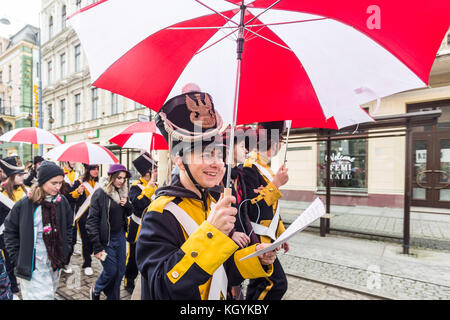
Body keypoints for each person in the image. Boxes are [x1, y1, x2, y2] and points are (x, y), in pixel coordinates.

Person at [136, 90, 277, 300]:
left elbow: (222, 268)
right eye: (205, 154)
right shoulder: (159, 213)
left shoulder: (214, 202)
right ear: (179, 162)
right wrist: (211, 231)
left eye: (219, 154)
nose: (216, 163)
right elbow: (162, 285)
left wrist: (257, 256)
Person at [3, 161, 73, 300]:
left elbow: (68, 227)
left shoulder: (62, 201)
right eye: (54, 183)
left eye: (60, 183)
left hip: (55, 262)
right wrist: (18, 258)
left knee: (50, 294)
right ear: (42, 181)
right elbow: (9, 230)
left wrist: (66, 250)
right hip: (32, 265)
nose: (58, 187)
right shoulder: (25, 204)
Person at [243, 121, 290, 300]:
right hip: (256, 237)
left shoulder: (267, 168)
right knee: (276, 284)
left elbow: (273, 209)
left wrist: (281, 234)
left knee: (259, 284)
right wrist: (276, 184)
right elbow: (252, 208)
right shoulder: (250, 167)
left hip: (268, 236)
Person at [216, 126, 260, 300]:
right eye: (242, 146)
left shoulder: (240, 175)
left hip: (240, 246)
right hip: (222, 248)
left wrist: (255, 245)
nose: (247, 150)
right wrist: (231, 233)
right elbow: (212, 214)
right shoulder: (217, 176)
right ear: (229, 148)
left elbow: (244, 214)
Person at [87, 164, 133, 300]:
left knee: (120, 271)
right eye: (119, 177)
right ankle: (96, 288)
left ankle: (113, 297)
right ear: (111, 177)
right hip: (105, 239)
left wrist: (128, 205)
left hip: (120, 237)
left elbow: (129, 212)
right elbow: (91, 221)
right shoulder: (100, 193)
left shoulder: (123, 191)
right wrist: (97, 247)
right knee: (111, 271)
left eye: (124, 178)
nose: (121, 181)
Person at [124, 152, 157, 294]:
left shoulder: (158, 186)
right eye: (154, 170)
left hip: (153, 228)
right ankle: (128, 281)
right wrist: (149, 188)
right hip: (137, 228)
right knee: (133, 258)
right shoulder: (135, 187)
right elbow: (139, 205)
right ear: (147, 173)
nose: (156, 172)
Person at [66, 164, 100, 276]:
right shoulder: (79, 182)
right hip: (83, 215)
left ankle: (89, 255)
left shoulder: (99, 183)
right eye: (93, 169)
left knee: (93, 240)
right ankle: (87, 264)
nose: (96, 171)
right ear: (88, 170)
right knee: (85, 240)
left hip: (96, 215)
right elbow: (69, 197)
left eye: (97, 169)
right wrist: (77, 192)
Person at [0, 156, 27, 295]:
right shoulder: (2, 194)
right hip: (8, 234)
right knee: (10, 262)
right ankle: (13, 288)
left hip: (24, 232)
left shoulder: (26, 191)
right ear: (11, 176)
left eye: (23, 174)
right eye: (19, 174)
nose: (23, 177)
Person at [60, 161, 80, 274]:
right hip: (62, 210)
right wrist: (76, 192)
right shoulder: (61, 175)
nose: (74, 162)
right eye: (71, 160)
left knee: (72, 238)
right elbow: (65, 195)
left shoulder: (77, 176)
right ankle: (60, 262)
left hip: (74, 210)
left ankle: (66, 262)